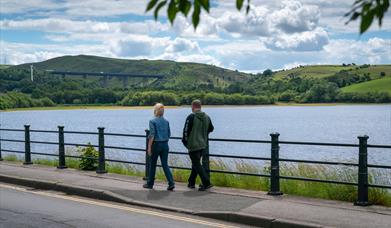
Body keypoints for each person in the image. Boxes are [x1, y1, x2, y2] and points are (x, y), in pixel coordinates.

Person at [182, 99, 214, 191]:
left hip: (193, 144)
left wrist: (185, 142)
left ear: (193, 107)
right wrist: (202, 133)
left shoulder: (191, 117)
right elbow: (211, 128)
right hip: (203, 144)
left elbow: (185, 131)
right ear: (200, 106)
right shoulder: (207, 117)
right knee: (196, 163)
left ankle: (206, 182)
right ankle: (191, 182)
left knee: (196, 163)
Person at [143, 103, 175, 191]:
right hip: (165, 144)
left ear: (155, 110)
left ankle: (150, 184)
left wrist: (149, 148)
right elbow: (169, 134)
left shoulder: (152, 121)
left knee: (153, 164)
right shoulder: (166, 121)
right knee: (165, 164)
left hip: (156, 145)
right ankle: (171, 183)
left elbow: (152, 135)